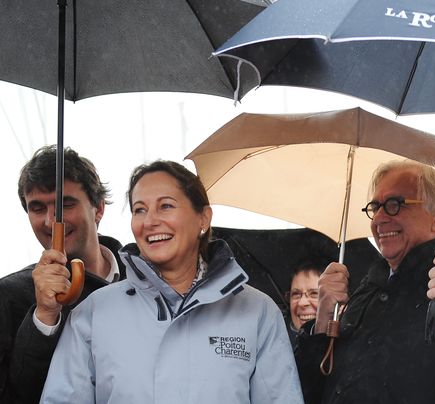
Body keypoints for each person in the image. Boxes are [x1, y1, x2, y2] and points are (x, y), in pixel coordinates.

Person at [40, 160, 302, 403]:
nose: (150, 221)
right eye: (139, 210)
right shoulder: (94, 313)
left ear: (204, 217)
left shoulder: (257, 312)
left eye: (165, 206)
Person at [295, 160, 435, 403]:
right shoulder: (366, 291)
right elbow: (307, 391)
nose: (379, 218)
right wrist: (323, 323)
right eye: (375, 206)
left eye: (394, 205)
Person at [0, 145, 125, 404]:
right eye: (36, 208)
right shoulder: (9, 296)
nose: (49, 221)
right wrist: (43, 317)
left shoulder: (146, 281)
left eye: (65, 205)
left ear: (98, 208)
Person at [286, 262, 322, 336]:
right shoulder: (275, 341)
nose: (302, 302)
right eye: (296, 294)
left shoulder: (350, 344)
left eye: (314, 293)